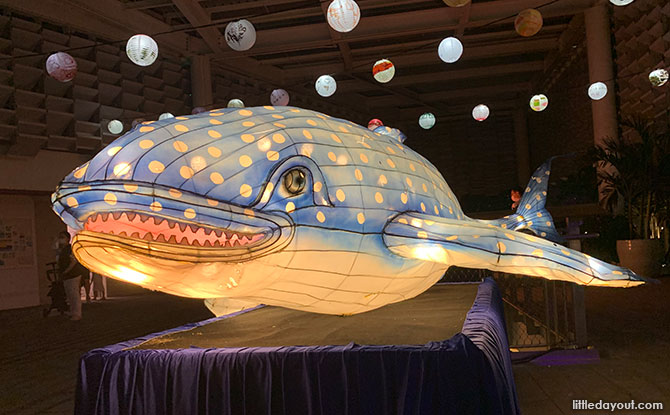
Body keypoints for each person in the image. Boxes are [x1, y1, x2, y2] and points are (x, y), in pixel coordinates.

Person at [56, 231, 87, 320]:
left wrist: (66, 271)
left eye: (62, 237)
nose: (60, 239)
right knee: (69, 294)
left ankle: (77, 314)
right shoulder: (62, 249)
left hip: (73, 274)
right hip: (67, 275)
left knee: (74, 294)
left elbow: (73, 261)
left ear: (67, 239)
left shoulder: (70, 249)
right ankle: (73, 311)